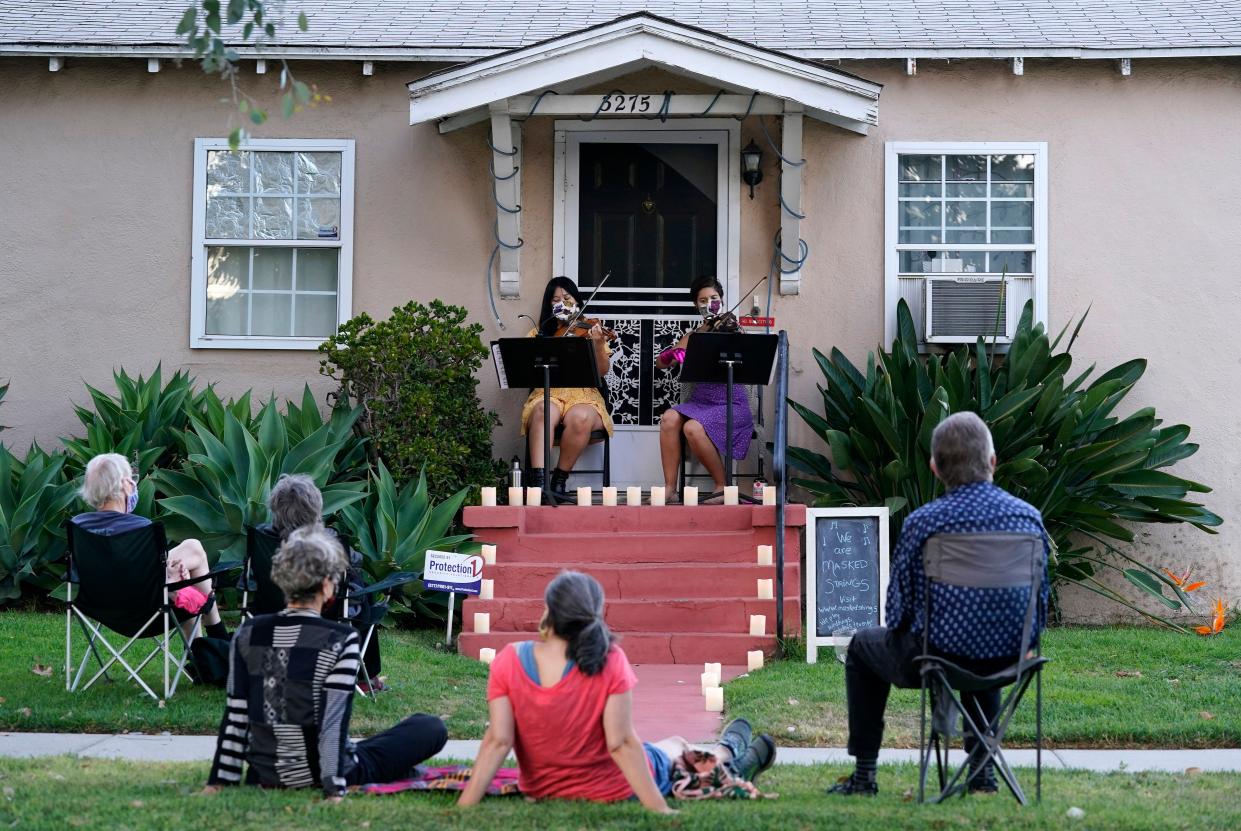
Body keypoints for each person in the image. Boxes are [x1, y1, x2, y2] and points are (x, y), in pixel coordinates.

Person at [828, 412, 1050, 797]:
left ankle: (864, 775)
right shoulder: (1028, 518)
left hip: (939, 660)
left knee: (863, 646)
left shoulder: (923, 522)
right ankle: (982, 772)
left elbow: (898, 611)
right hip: (1011, 660)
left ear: (934, 468)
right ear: (992, 461)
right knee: (984, 637)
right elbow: (1039, 605)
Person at [458, 571, 775, 812]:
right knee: (677, 745)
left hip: (543, 791)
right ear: (594, 614)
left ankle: (729, 754)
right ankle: (728, 754)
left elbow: (499, 740)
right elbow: (621, 743)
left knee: (666, 747)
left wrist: (465, 807)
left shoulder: (508, 661)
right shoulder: (607, 659)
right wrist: (659, 809)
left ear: (548, 611)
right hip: (611, 788)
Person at [203, 527, 447, 800]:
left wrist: (219, 782)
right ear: (328, 584)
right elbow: (332, 724)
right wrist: (334, 789)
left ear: (282, 579)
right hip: (324, 771)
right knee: (429, 727)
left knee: (369, 746)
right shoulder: (340, 639)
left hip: (266, 773)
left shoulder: (247, 633)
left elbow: (236, 715)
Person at [71, 453, 227, 641]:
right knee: (191, 560)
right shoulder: (140, 528)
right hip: (148, 611)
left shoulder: (78, 526)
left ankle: (204, 651)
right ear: (126, 485)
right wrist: (172, 579)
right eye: (131, 479)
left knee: (190, 551)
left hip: (100, 608)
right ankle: (211, 643)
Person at [261, 473, 383, 691]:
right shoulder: (328, 542)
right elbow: (356, 561)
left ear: (275, 507)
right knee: (363, 592)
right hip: (324, 612)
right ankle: (366, 678)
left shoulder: (262, 538)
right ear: (315, 508)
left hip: (269, 608)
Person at [656, 276, 754, 501]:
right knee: (669, 418)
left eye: (714, 298)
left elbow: (750, 360)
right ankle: (669, 488)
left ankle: (722, 485)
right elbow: (660, 363)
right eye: (703, 300)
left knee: (692, 428)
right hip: (701, 403)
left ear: (722, 300)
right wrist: (674, 353)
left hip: (732, 403)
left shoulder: (732, 329)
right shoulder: (694, 336)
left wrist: (735, 334)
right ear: (696, 306)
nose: (709, 304)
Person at [521, 276, 614, 499]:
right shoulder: (539, 334)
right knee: (544, 410)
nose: (561, 303)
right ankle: (540, 485)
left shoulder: (591, 330)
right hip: (548, 391)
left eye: (567, 297)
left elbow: (601, 371)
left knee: (580, 417)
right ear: (549, 306)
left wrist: (599, 343)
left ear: (577, 301)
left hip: (584, 393)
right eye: (555, 300)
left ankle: (559, 481)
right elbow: (527, 370)